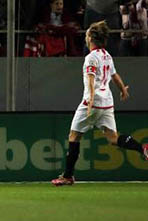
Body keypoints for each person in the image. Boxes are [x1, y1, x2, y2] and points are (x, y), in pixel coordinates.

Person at [51, 21, 148, 186]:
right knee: (113, 138)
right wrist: (123, 90)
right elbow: (114, 76)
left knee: (74, 136)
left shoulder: (91, 58)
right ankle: (143, 148)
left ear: (90, 38)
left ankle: (67, 176)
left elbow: (90, 79)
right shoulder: (107, 55)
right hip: (107, 103)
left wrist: (89, 100)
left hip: (93, 102)